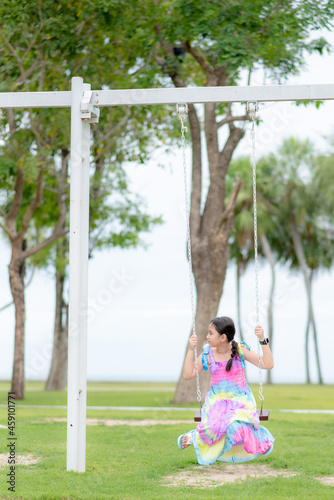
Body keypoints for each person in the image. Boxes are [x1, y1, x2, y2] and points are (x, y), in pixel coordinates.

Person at [177, 316, 275, 465]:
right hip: (217, 401)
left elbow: (267, 364)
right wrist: (191, 350)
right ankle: (194, 437)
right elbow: (188, 374)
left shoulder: (240, 350)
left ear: (223, 337)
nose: (207, 336)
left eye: (211, 333)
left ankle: (261, 439)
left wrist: (262, 339)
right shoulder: (208, 354)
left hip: (240, 400)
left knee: (233, 425)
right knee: (215, 425)